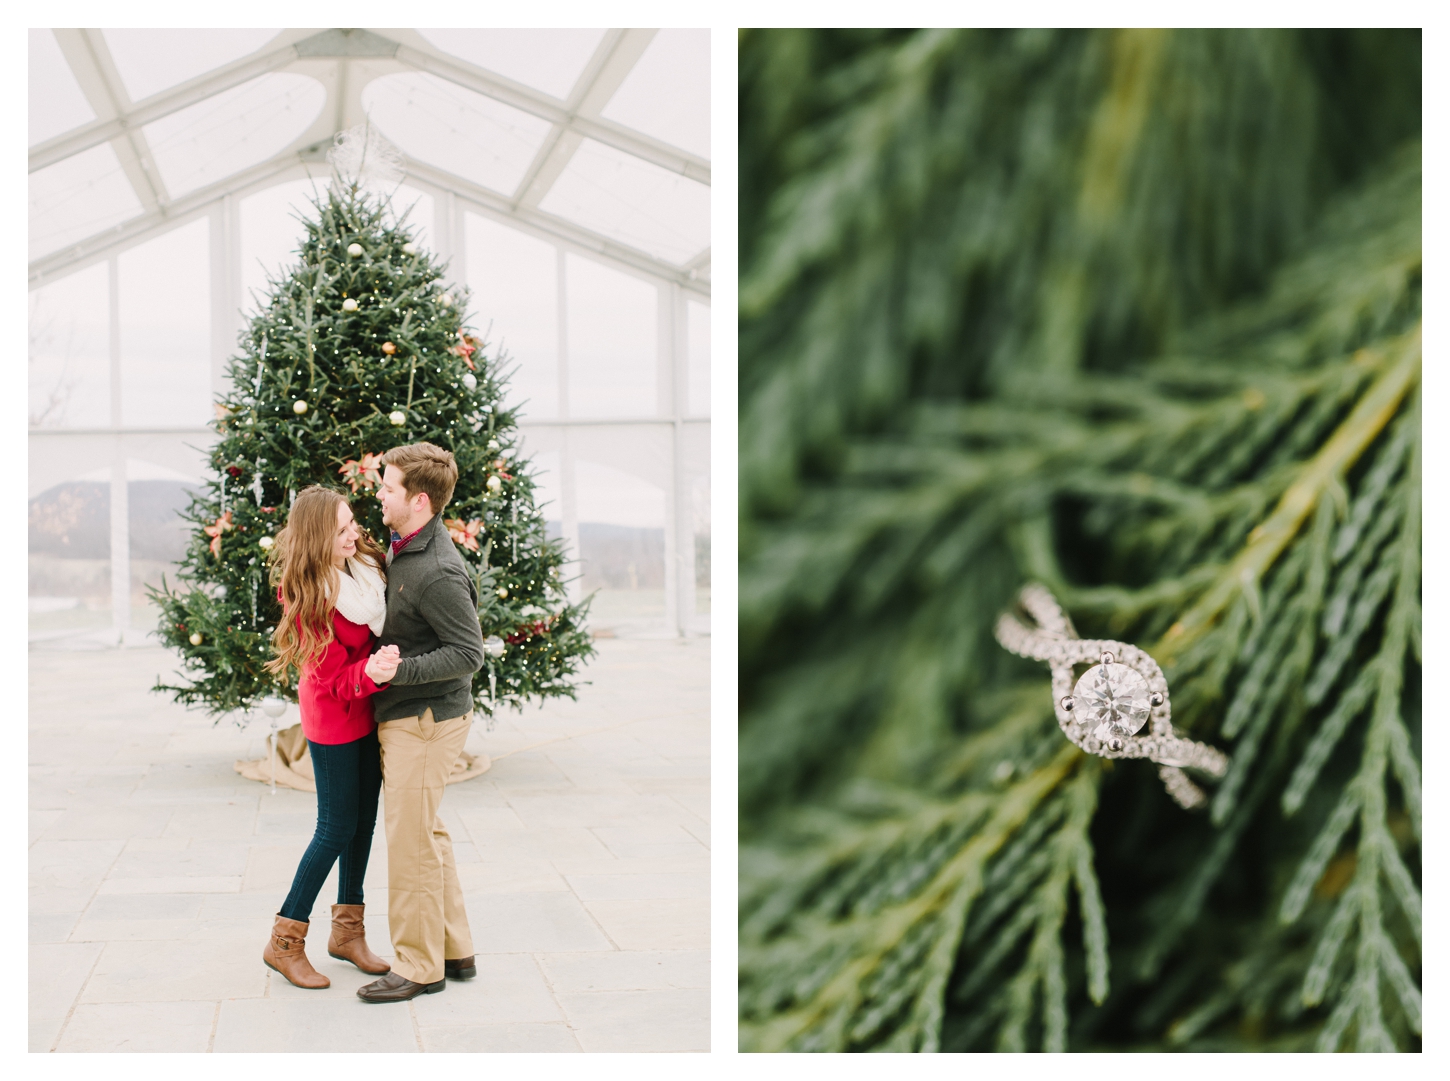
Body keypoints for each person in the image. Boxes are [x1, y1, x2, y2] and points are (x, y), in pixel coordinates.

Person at [356, 442, 485, 1003]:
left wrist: (396, 673)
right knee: (427, 834)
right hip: (415, 716)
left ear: (420, 500)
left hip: (425, 720)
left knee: (409, 843)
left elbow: (468, 652)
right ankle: (455, 950)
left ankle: (417, 966)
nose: (379, 493)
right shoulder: (406, 546)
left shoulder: (436, 571)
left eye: (388, 487)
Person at [260, 486, 402, 989]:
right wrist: (376, 672)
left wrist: (375, 672)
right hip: (335, 719)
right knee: (335, 827)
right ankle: (284, 941)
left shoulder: (359, 566)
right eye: (341, 529)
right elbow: (336, 681)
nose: (354, 533)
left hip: (368, 707)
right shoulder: (307, 598)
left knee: (362, 823)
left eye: (353, 522)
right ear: (319, 537)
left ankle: (347, 934)